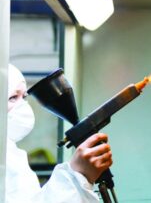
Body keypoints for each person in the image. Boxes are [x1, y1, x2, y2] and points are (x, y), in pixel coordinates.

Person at [6, 64, 113, 202]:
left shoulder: (12, 155)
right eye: (13, 97)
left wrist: (78, 176)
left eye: (24, 97)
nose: (23, 106)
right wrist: (75, 176)